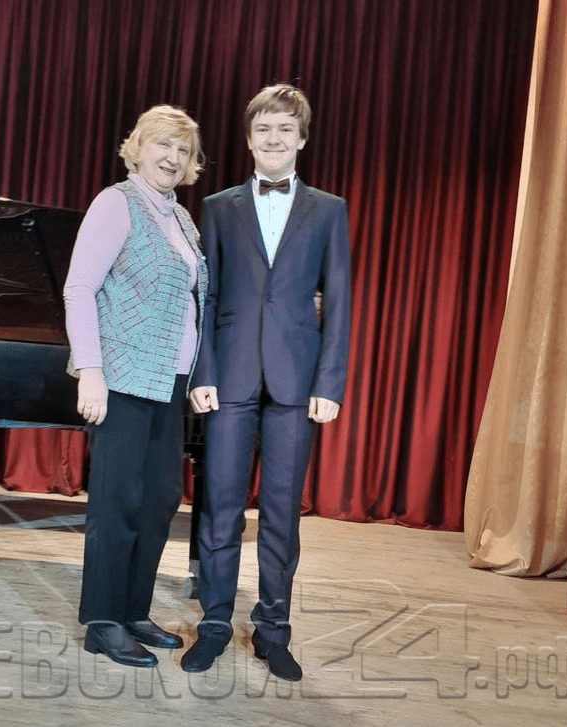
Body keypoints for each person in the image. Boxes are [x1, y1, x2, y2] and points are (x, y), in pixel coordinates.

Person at [181, 84, 351, 681]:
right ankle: (214, 624)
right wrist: (202, 371)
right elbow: (205, 297)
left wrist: (329, 382)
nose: (273, 139)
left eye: (284, 129)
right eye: (263, 129)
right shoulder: (218, 207)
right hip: (228, 377)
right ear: (249, 139)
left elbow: (339, 302)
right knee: (220, 509)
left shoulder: (329, 210)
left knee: (281, 514)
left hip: (296, 383)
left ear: (301, 139)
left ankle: (273, 631)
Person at [63, 105, 207, 668]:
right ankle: (103, 621)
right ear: (138, 147)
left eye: (182, 150)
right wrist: (91, 371)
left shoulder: (182, 218)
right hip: (122, 377)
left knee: (159, 499)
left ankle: (132, 610)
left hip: (169, 382)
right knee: (117, 501)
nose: (172, 157)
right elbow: (80, 289)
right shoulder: (115, 203)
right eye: (162, 144)